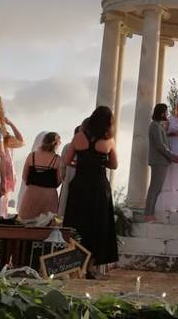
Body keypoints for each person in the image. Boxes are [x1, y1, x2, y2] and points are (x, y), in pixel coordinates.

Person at [62, 106, 119, 277]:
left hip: (80, 184)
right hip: (99, 186)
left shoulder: (79, 137)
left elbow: (67, 159)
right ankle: (91, 266)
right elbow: (115, 165)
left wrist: (79, 163)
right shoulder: (109, 141)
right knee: (98, 225)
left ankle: (76, 263)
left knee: (78, 223)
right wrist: (101, 162)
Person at [145, 103, 178, 221]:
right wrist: (172, 156)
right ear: (161, 113)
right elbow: (160, 145)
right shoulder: (155, 126)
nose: (167, 114)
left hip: (162, 161)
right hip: (158, 161)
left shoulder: (159, 126)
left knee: (157, 187)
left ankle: (150, 213)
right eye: (166, 112)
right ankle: (148, 214)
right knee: (154, 187)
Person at [17, 131, 63, 219]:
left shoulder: (31, 156)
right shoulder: (58, 160)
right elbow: (58, 181)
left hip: (31, 194)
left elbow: (24, 177)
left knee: (27, 224)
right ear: (56, 144)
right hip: (49, 196)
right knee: (47, 226)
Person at [57, 124, 83, 220]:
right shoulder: (72, 147)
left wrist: (63, 177)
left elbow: (62, 166)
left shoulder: (67, 147)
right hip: (77, 177)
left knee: (65, 202)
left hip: (68, 177)